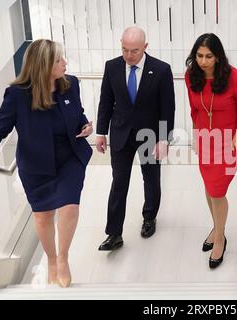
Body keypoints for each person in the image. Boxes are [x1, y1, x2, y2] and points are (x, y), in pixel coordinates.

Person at [0, 39, 93, 287]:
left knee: (70, 207)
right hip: (36, 165)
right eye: (59, 60)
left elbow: (78, 114)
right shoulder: (17, 94)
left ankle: (63, 257)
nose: (65, 63)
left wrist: (86, 125)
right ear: (44, 64)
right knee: (43, 216)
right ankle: (50, 259)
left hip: (69, 157)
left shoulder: (70, 84)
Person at [96, 26, 175, 251]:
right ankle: (114, 233)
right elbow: (105, 101)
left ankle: (149, 217)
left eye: (134, 51)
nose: (128, 56)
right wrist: (101, 132)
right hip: (121, 133)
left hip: (149, 134)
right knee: (118, 183)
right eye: (124, 49)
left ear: (145, 47)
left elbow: (167, 109)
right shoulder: (112, 67)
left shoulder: (160, 70)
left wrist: (163, 138)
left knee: (150, 178)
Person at [185, 33, 237, 269]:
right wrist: (195, 134)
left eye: (208, 56)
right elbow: (194, 110)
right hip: (205, 140)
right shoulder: (191, 76)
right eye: (199, 56)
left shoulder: (234, 77)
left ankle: (220, 238)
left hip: (229, 142)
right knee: (208, 186)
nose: (203, 61)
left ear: (218, 56)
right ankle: (217, 228)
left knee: (217, 190)